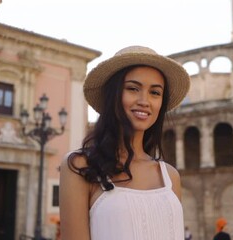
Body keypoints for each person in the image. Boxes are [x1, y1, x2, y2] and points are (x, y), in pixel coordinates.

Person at [59, 46, 191, 240]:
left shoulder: (170, 176)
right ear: (113, 96)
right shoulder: (79, 166)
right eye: (132, 88)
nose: (144, 101)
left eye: (155, 92)